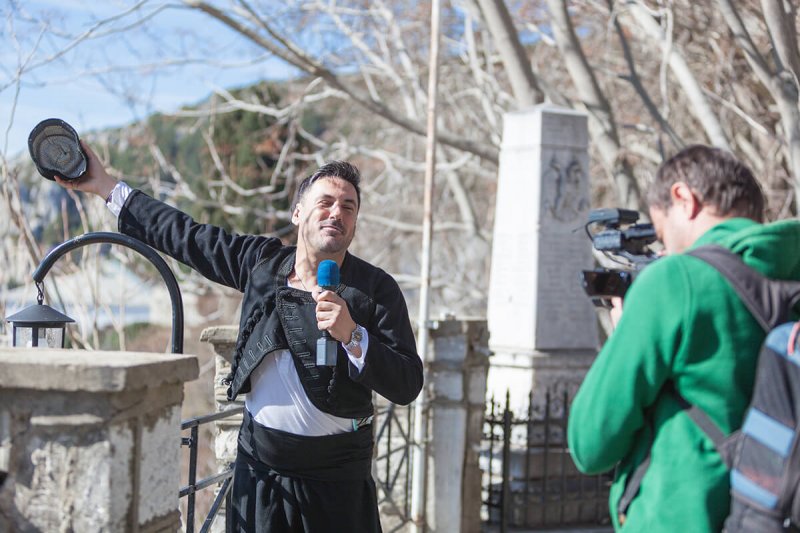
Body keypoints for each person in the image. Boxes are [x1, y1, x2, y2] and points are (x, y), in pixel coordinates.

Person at [55, 141, 424, 532]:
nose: (337, 213)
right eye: (326, 202)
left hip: (338, 484)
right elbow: (187, 236)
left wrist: (353, 337)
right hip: (262, 474)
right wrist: (107, 187)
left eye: (348, 207)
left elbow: (407, 383)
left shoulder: (375, 290)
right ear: (298, 213)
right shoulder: (262, 264)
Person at [567, 144, 800, 532]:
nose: (666, 248)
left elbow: (590, 444)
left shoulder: (676, 280)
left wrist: (627, 327)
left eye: (661, 232)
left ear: (683, 198)